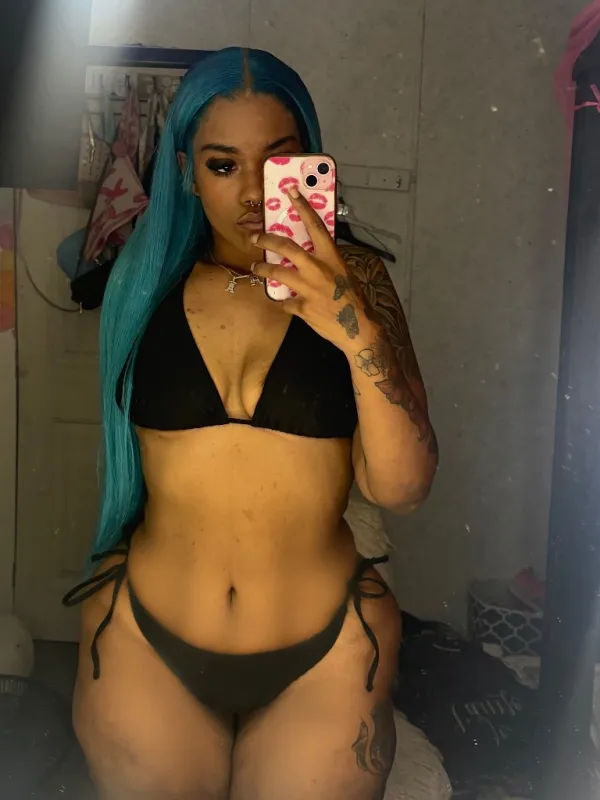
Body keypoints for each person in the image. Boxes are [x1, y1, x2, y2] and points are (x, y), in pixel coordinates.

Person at [63, 46, 438, 800]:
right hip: (146, 639)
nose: (251, 191)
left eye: (277, 161)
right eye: (222, 164)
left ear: (310, 161)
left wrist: (353, 328)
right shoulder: (144, 281)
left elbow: (401, 488)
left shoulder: (359, 281)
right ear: (186, 172)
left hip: (326, 650)